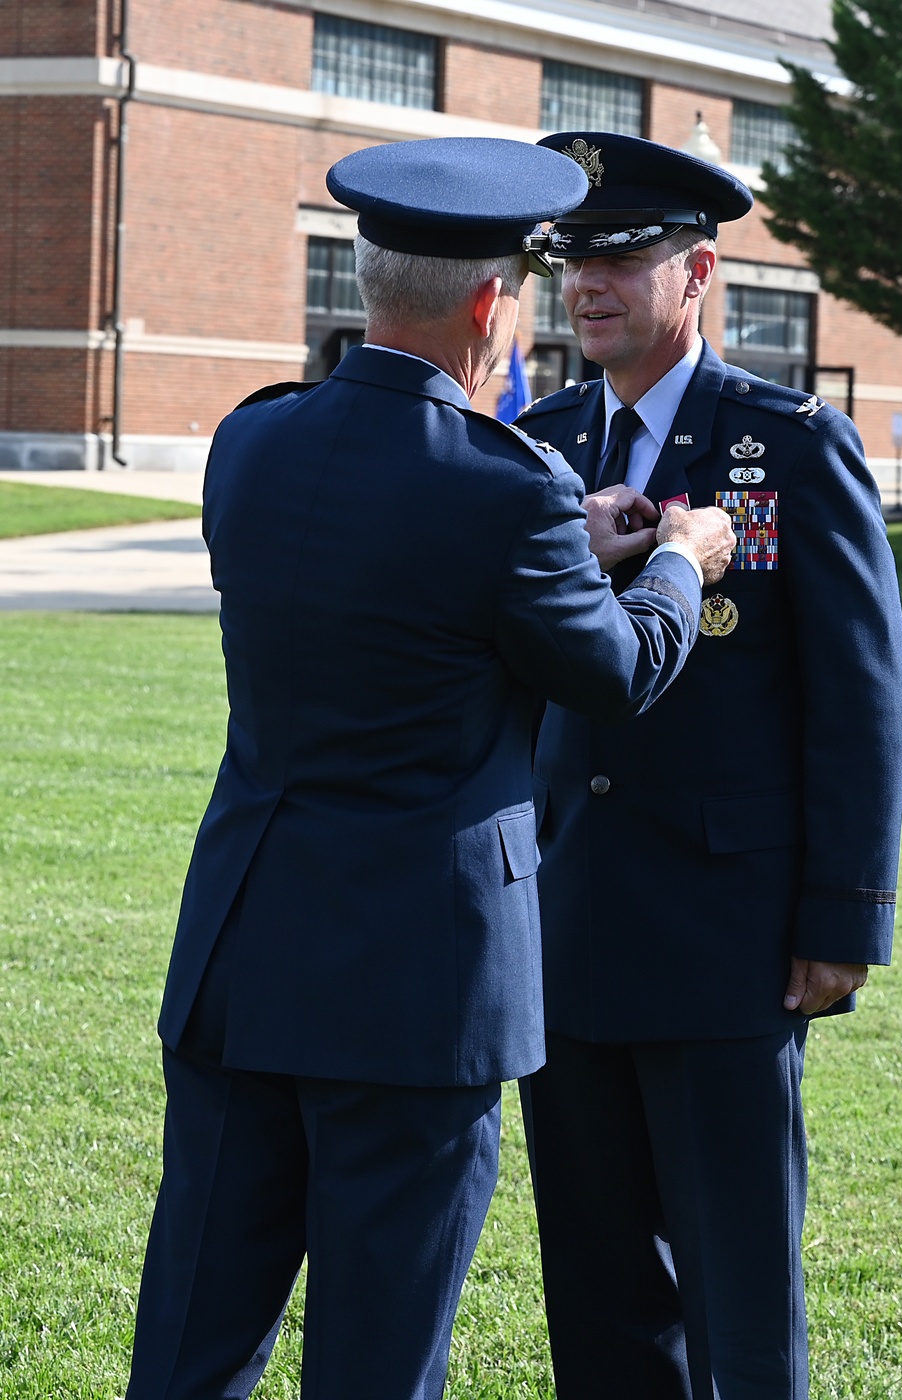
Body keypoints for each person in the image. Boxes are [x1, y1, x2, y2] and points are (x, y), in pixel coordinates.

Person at [123, 136, 737, 1400]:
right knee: (379, 1355)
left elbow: (384, 562)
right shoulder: (507, 491)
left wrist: (559, 547)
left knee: (192, 1336)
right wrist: (679, 556)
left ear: (366, 283)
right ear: (487, 303)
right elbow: (614, 672)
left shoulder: (254, 442)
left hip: (245, 954)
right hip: (418, 992)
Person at [517, 131, 902, 1400]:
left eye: (624, 255)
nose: (589, 281)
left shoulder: (787, 447)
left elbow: (858, 699)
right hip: (563, 921)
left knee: (741, 1286)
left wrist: (841, 915)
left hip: (727, 937)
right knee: (595, 1285)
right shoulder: (540, 446)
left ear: (699, 275)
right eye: (574, 254)